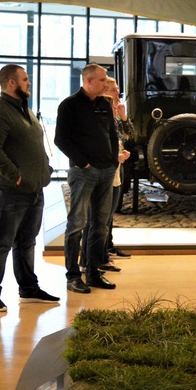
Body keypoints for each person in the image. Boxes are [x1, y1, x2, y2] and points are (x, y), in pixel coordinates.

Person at [0, 65, 60, 312]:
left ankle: (28, 289)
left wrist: (45, 169)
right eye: (25, 79)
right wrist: (16, 177)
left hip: (33, 190)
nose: (29, 83)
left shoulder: (24, 110)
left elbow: (34, 143)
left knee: (27, 243)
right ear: (11, 83)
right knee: (1, 243)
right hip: (8, 191)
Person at [55, 64, 119, 293]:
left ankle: (93, 273)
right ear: (89, 80)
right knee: (76, 225)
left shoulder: (104, 104)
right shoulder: (69, 105)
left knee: (100, 226)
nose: (106, 84)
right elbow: (60, 139)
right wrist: (83, 162)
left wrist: (113, 160)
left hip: (106, 171)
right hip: (83, 172)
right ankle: (73, 276)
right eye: (102, 80)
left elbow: (111, 132)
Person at [80, 77, 133, 272]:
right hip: (101, 173)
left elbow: (129, 136)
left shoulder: (113, 114)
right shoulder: (96, 114)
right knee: (96, 221)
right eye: (113, 90)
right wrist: (114, 157)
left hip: (114, 174)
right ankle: (90, 262)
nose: (117, 94)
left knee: (106, 220)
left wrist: (124, 116)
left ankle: (102, 256)